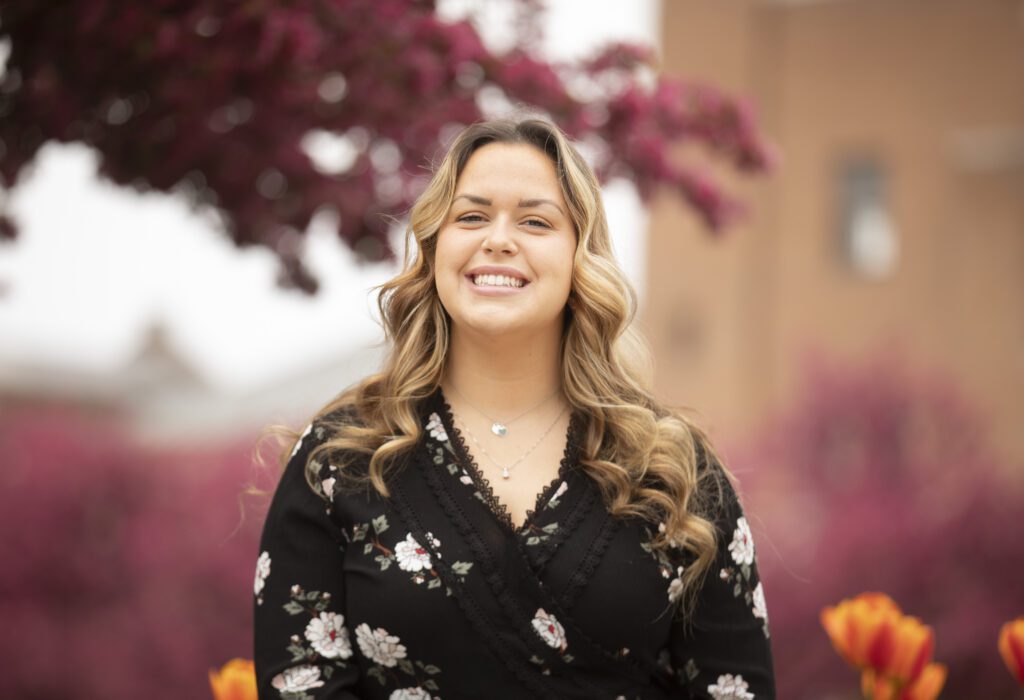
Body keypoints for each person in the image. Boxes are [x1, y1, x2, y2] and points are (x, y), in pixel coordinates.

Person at [253, 118, 775, 699]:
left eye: (535, 221)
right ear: (432, 249)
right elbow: (301, 683)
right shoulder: (344, 455)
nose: (498, 239)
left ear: (581, 257)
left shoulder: (672, 469)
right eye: (471, 216)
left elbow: (736, 689)